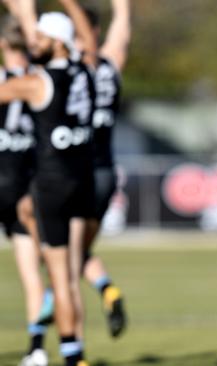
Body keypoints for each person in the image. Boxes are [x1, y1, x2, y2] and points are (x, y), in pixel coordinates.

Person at [0, 9, 94, 366]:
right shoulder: (84, 68)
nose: (32, 43)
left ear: (55, 41)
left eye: (39, 37)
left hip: (51, 185)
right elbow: (85, 38)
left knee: (59, 278)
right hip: (81, 181)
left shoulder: (38, 82)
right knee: (70, 274)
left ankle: (72, 358)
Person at [57, 0, 130, 339]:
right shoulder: (109, 65)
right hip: (105, 173)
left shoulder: (69, 69)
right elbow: (122, 32)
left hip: (74, 175)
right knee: (76, 254)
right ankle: (107, 290)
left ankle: (71, 351)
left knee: (65, 266)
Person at [0, 14, 50, 366]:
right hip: (26, 191)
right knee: (33, 275)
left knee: (34, 273)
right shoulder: (41, 82)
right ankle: (37, 349)